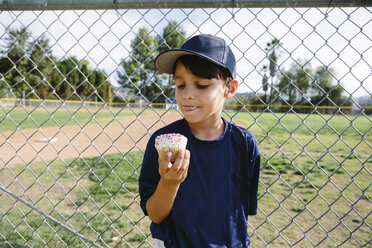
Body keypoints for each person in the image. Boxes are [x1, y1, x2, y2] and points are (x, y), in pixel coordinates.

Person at [139, 34, 260, 248]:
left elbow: (241, 212)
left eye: (202, 84)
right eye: (180, 84)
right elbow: (155, 215)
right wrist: (169, 183)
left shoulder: (245, 144)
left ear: (229, 89)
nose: (187, 94)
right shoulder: (162, 142)